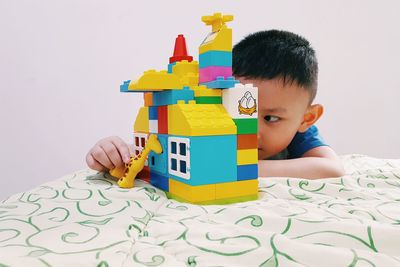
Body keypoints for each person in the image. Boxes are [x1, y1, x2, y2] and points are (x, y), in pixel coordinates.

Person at [86, 30, 345, 179]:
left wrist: (239, 168)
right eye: (239, 109)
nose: (251, 130)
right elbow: (155, 151)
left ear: (306, 119)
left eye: (271, 118)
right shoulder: (206, 119)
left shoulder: (298, 134)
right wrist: (114, 152)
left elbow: (331, 168)